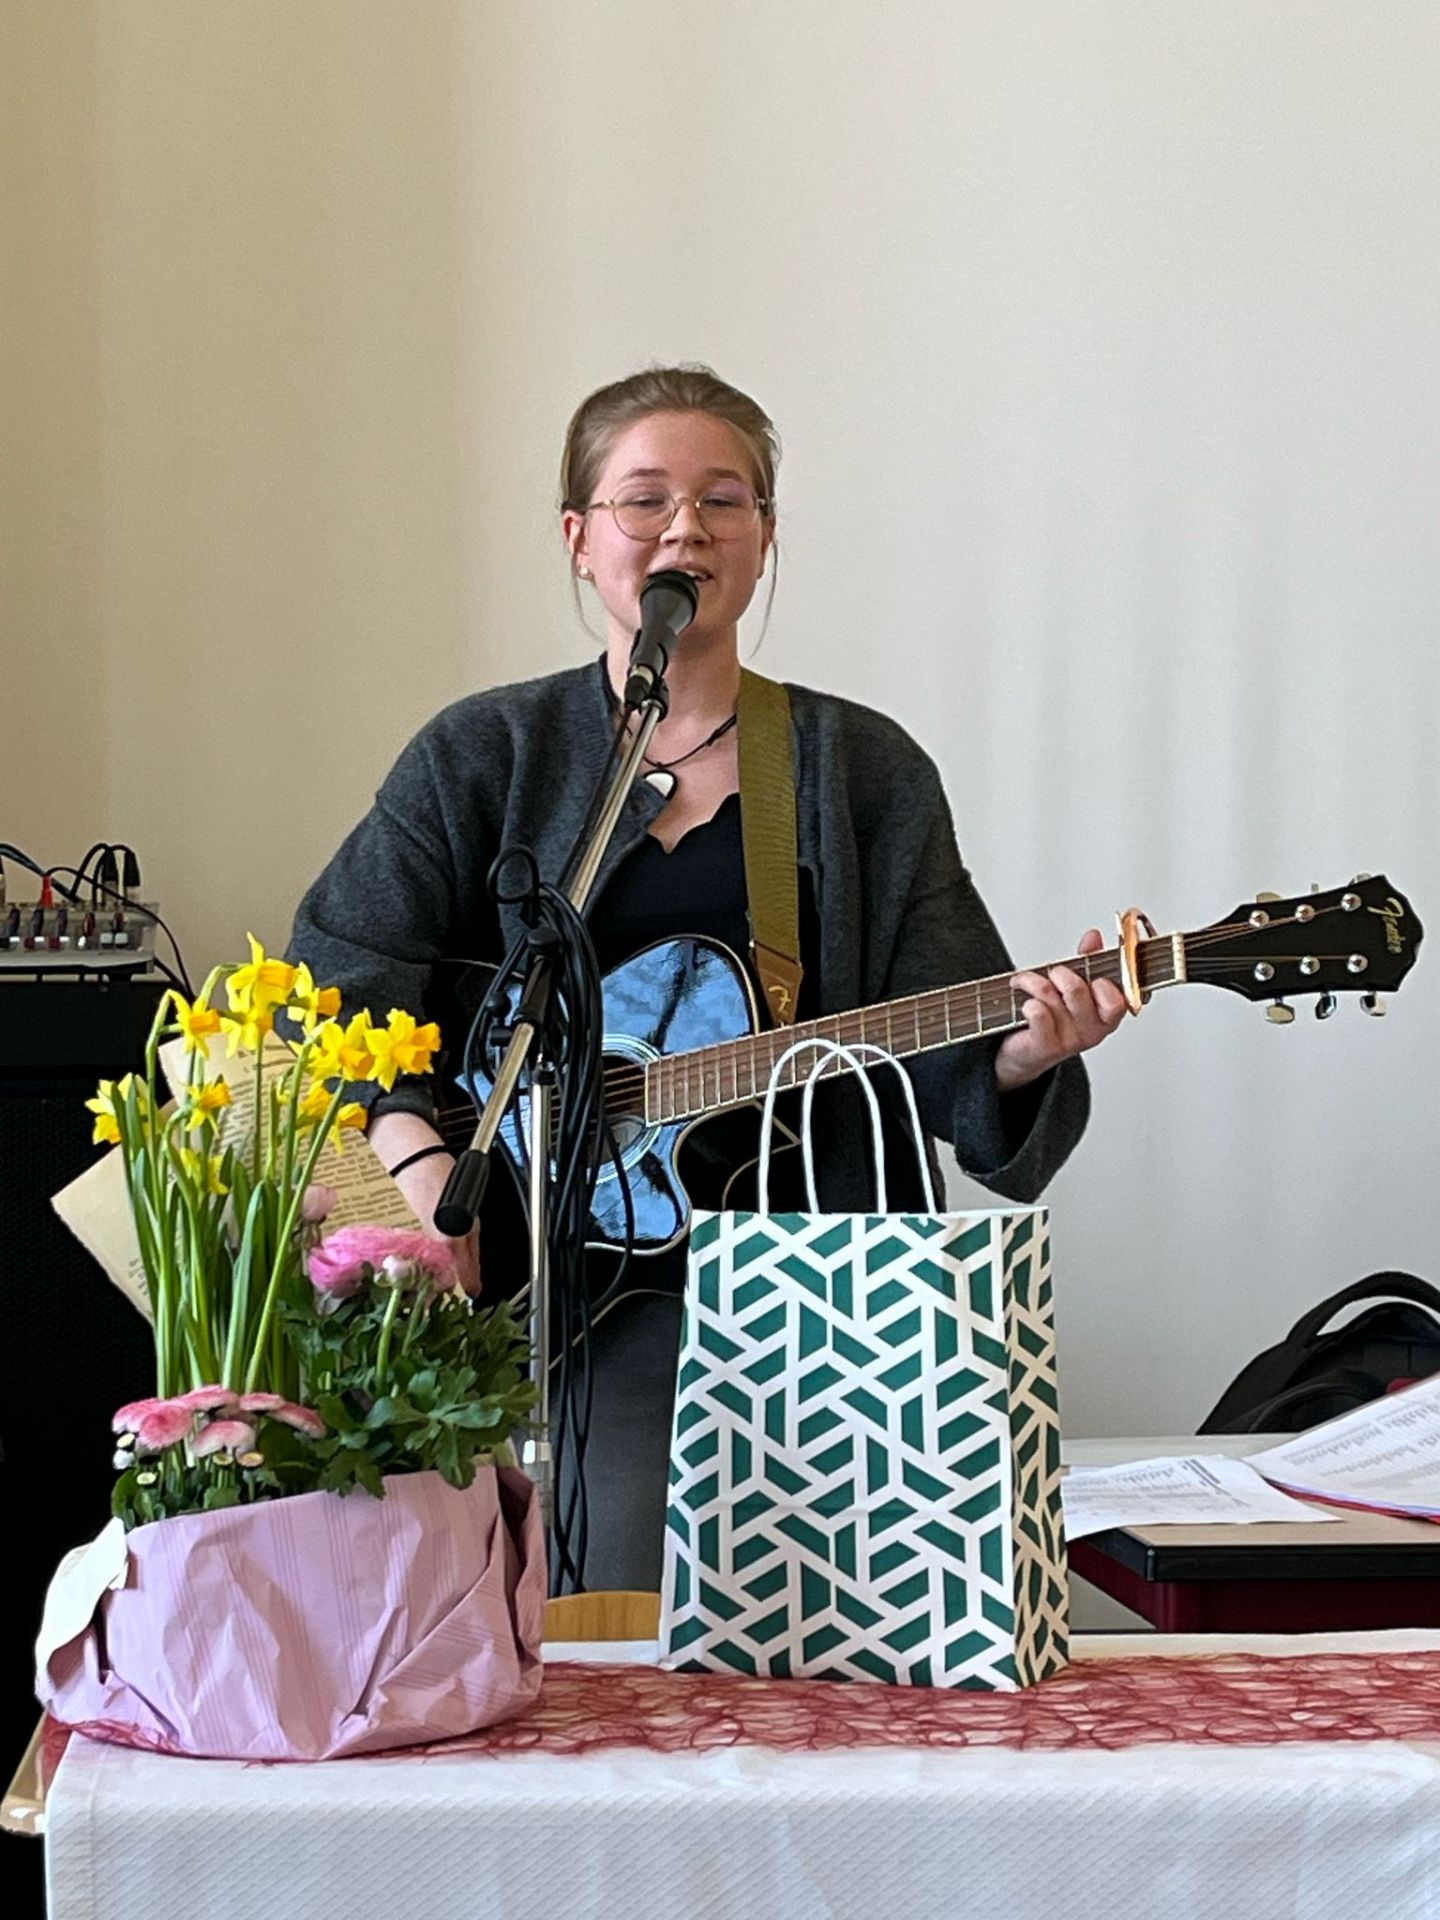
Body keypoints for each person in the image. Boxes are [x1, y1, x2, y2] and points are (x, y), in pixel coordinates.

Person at [287, 365, 1128, 1588]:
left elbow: (949, 1033)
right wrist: (415, 1156)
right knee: (493, 1609)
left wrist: (1025, 1053)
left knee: (723, 1616)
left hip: (799, 1287)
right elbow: (336, 978)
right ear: (579, 539)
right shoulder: (485, 752)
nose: (686, 529)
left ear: (765, 537)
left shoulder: (858, 768)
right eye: (645, 500)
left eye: (725, 501)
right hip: (502, 1269)